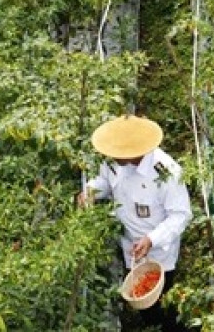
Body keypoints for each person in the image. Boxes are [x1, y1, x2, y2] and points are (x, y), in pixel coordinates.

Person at [81, 115, 193, 332]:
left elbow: (180, 215)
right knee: (142, 302)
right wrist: (90, 191)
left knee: (163, 303)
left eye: (119, 154)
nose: (113, 157)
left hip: (158, 251)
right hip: (130, 244)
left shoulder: (166, 172)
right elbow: (106, 181)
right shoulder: (113, 162)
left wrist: (151, 240)